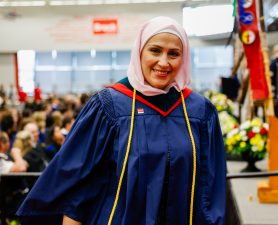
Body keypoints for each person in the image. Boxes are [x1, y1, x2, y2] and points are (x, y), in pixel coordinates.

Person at [17, 16, 226, 225]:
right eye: (155, 50)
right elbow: (80, 185)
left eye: (174, 54)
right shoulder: (109, 106)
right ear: (139, 52)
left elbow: (211, 186)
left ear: (184, 58)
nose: (163, 62)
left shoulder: (200, 112)